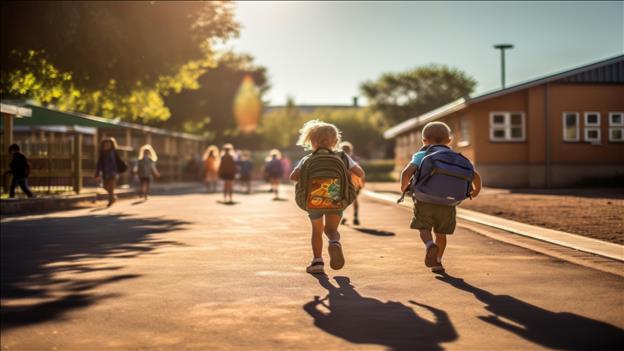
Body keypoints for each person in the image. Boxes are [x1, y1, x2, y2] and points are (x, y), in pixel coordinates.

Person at [399, 122, 482, 273]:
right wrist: (476, 191)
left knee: (424, 228)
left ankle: (429, 245)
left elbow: (406, 173)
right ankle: (437, 262)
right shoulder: (457, 158)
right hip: (449, 203)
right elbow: (475, 176)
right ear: (449, 140)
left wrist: (404, 188)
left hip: (424, 199)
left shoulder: (422, 155)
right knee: (441, 234)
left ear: (424, 140)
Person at [290, 120, 365, 274]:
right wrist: (347, 174)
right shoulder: (342, 156)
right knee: (331, 229)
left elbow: (293, 177)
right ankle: (334, 241)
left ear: (312, 141)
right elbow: (361, 173)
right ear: (336, 141)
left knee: (317, 231)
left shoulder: (307, 159)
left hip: (314, 199)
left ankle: (317, 262)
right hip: (336, 198)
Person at [95, 137, 127, 207]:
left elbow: (119, 161)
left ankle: (110, 200)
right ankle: (113, 197)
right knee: (105, 186)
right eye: (105, 144)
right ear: (103, 146)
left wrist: (123, 168)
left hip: (113, 173)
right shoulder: (102, 154)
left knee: (111, 187)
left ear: (112, 145)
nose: (107, 146)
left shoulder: (114, 153)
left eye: (108, 144)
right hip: (105, 173)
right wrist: (97, 174)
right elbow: (99, 164)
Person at [340, 141, 365, 226]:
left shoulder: (341, 157)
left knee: (344, 200)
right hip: (354, 182)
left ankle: (347, 217)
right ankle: (354, 216)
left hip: (349, 182)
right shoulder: (354, 158)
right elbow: (361, 172)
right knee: (353, 199)